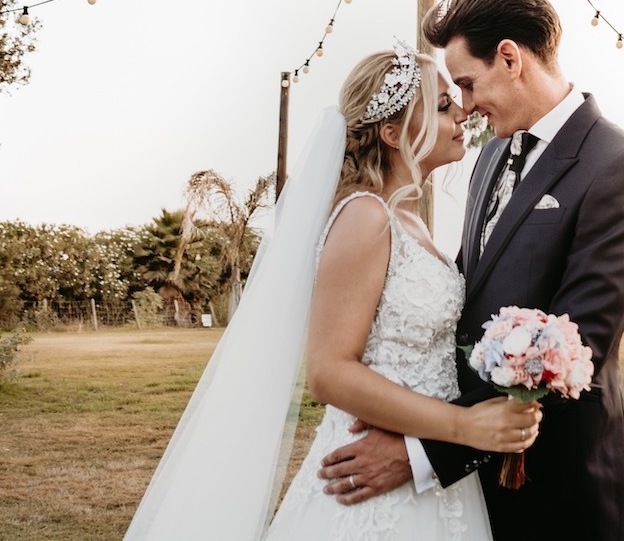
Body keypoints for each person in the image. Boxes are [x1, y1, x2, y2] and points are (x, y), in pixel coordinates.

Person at [125, 41, 540, 540]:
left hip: (431, 478)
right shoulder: (365, 216)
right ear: (391, 132)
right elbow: (328, 371)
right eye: (443, 104)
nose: (463, 113)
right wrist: (463, 428)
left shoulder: (413, 221)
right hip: (370, 481)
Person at [317, 0, 624, 541]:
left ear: (510, 58)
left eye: (467, 84)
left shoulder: (619, 165)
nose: (467, 107)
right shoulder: (491, 157)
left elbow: (578, 347)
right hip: (471, 486)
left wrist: (420, 453)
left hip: (557, 488)